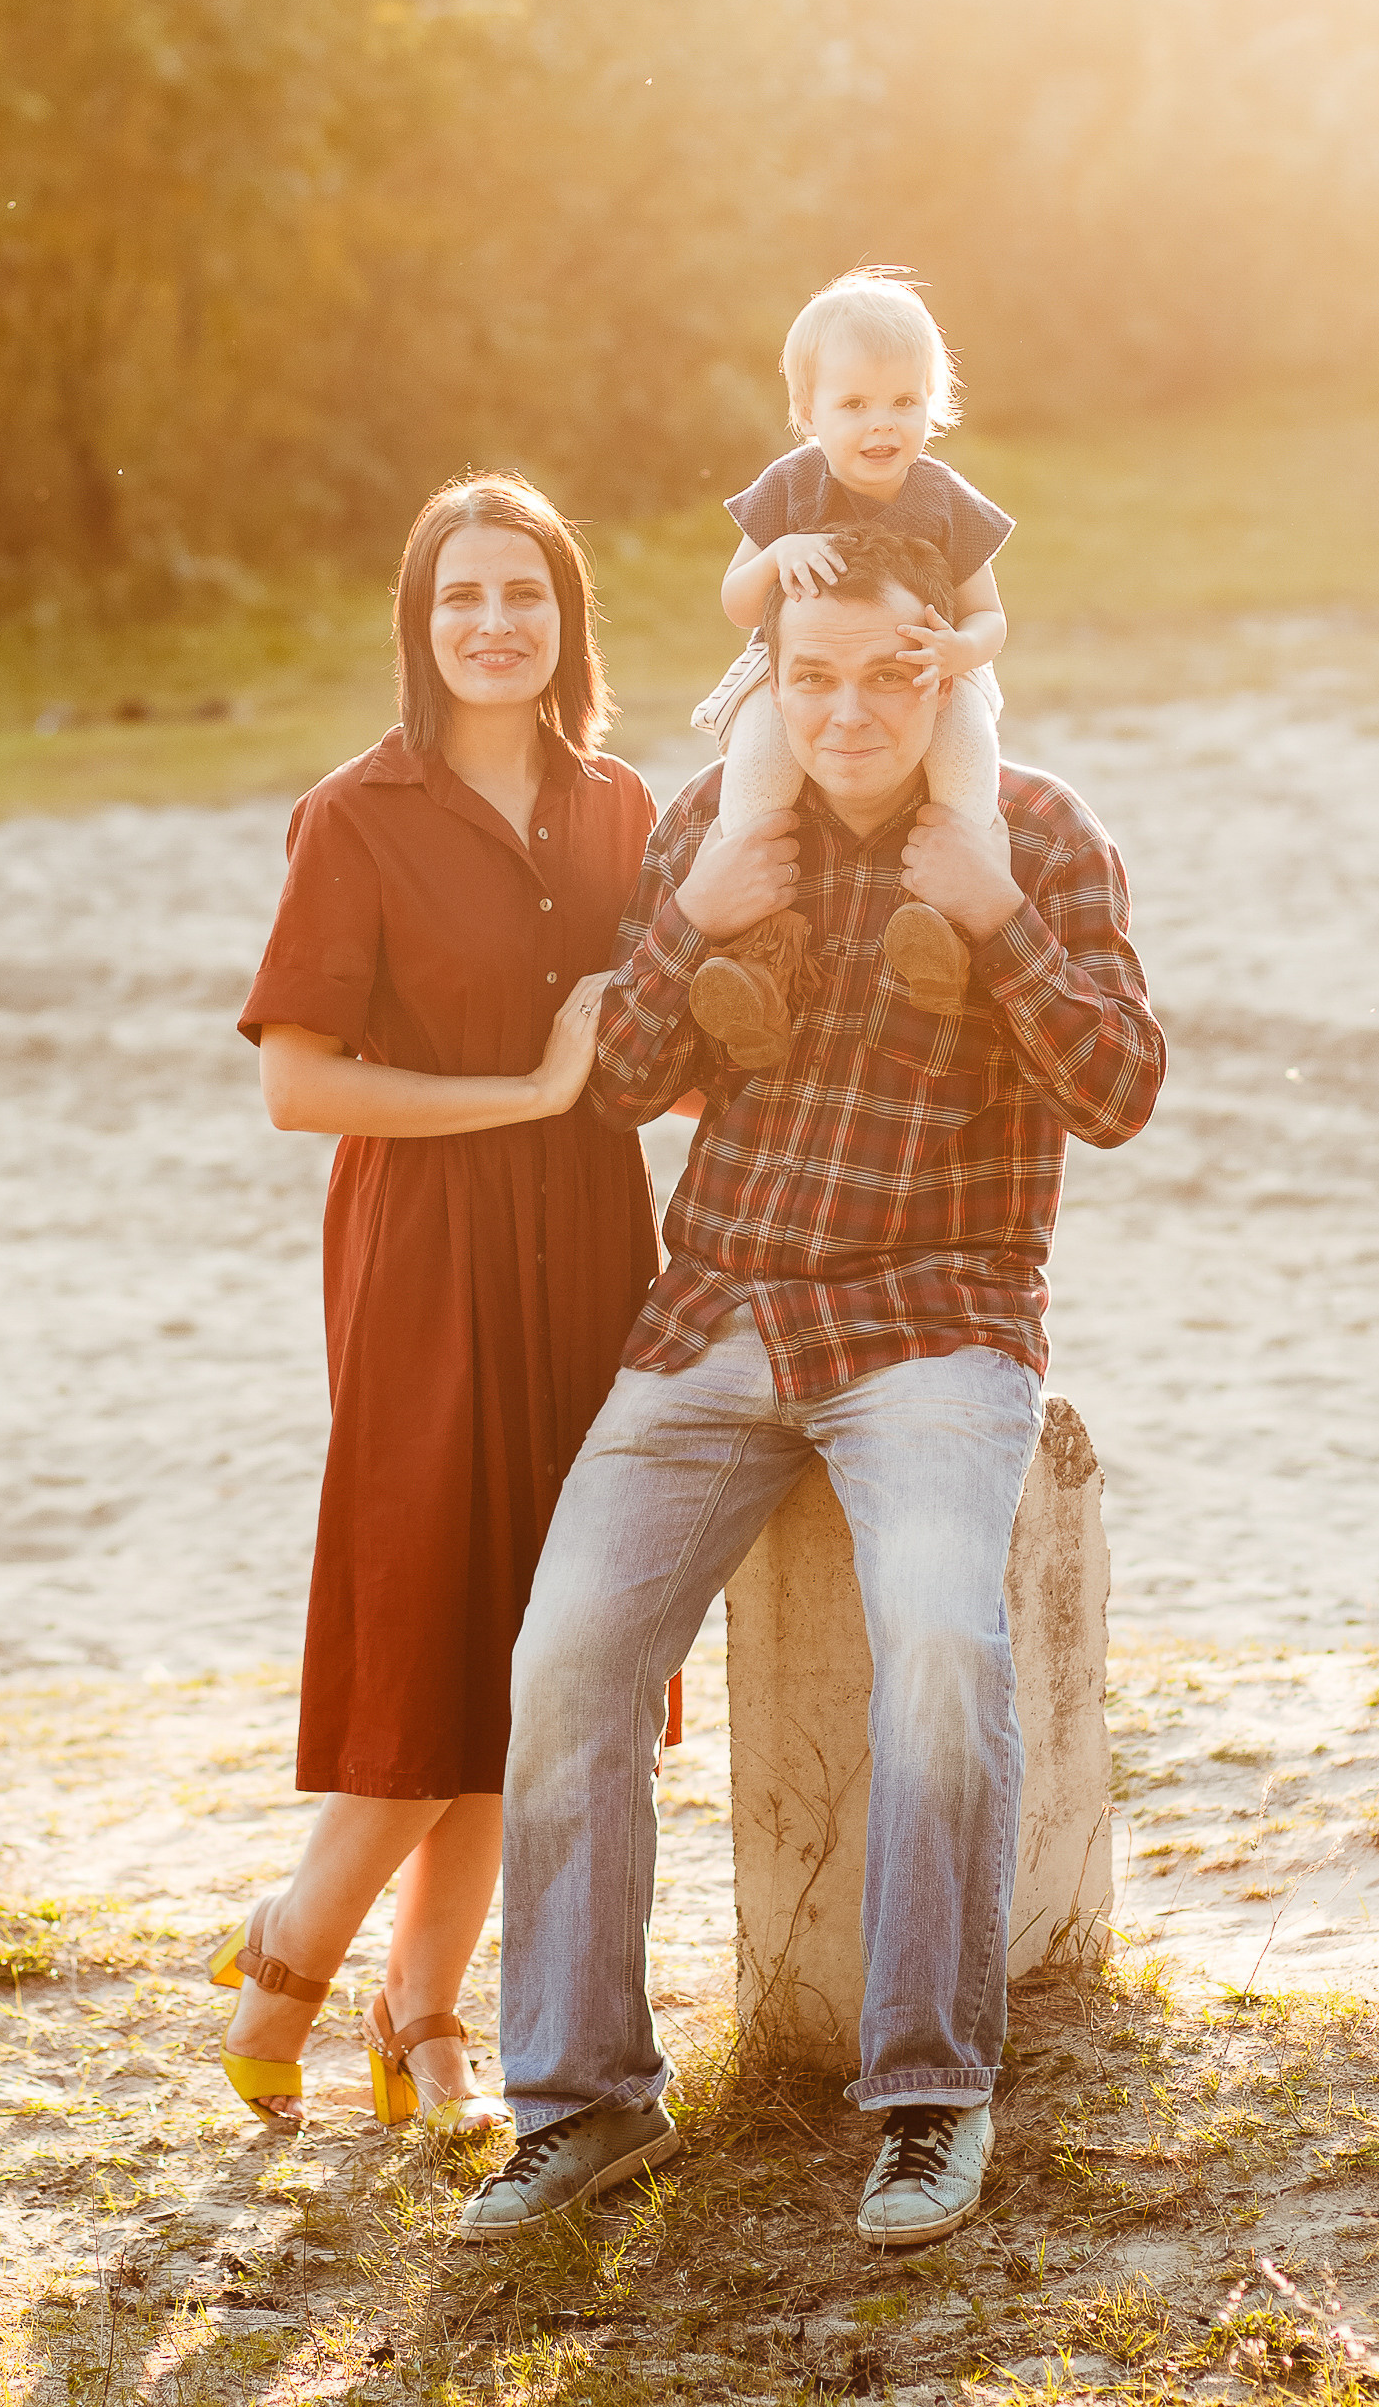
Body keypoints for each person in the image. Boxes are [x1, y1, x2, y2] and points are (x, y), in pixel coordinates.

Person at [455, 531, 1166, 2250]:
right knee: (564, 1663)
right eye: (813, 676)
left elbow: (1122, 1089)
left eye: (891, 677)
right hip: (714, 1321)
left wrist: (994, 924)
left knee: (937, 1641)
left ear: (952, 679)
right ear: (770, 675)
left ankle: (929, 2096)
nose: (849, 711)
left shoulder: (1037, 836)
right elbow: (619, 1087)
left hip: (933, 1326)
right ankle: (583, 2102)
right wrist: (694, 920)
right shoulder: (716, 825)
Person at [224, 473, 661, 2139]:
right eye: (462, 595)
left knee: (541, 1652)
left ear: (568, 622)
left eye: (526, 596)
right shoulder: (358, 814)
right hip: (424, 1254)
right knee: (430, 1637)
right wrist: (531, 1090)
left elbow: (645, 1054)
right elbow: (296, 1088)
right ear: (420, 621)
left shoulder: (622, 804)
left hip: (587, 1251)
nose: (494, 623)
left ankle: (426, 2019)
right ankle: (294, 1949)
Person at [686, 266, 1012, 1068]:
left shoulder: (943, 499)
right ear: (809, 413)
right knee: (757, 772)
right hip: (792, 676)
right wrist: (777, 558)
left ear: (932, 404)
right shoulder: (789, 489)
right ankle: (757, 960)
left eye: (905, 402)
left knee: (968, 752)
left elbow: (989, 615)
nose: (883, 426)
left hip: (926, 669)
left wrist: (959, 654)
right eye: (856, 405)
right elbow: (735, 601)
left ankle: (950, 929)